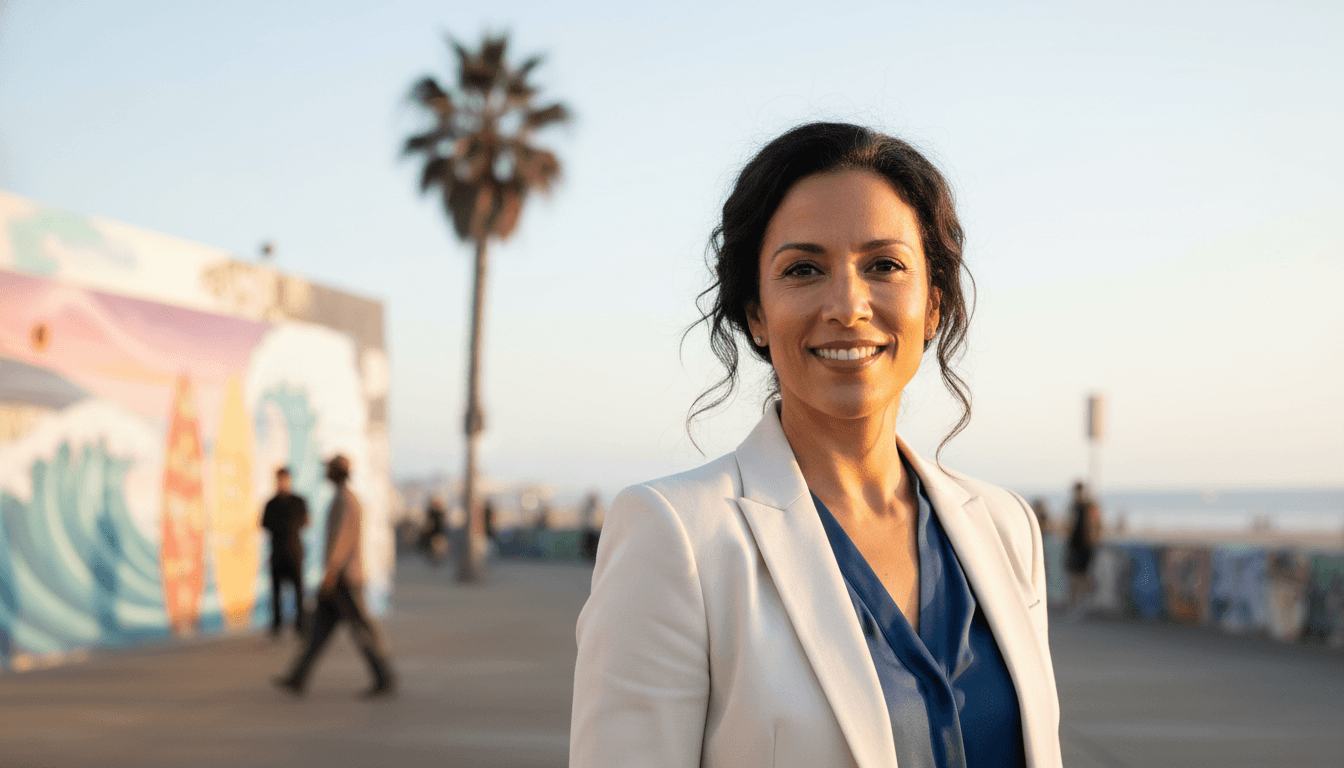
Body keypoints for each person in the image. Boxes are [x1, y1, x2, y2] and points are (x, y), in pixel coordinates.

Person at [571, 123, 1061, 768]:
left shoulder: (1005, 527)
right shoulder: (676, 537)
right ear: (755, 313)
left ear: (933, 303)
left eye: (884, 265)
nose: (847, 305)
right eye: (803, 270)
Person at [274, 455, 396, 699]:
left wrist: (329, 574)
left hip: (345, 579)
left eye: (329, 470)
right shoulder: (345, 499)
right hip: (341, 578)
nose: (325, 473)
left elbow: (341, 542)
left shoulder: (344, 501)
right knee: (319, 631)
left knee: (361, 629)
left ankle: (384, 676)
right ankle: (298, 676)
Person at [260, 467, 308, 638]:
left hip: (294, 552)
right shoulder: (271, 504)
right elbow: (264, 524)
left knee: (299, 590)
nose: (282, 482)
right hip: (277, 553)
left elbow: (304, 521)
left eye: (285, 479)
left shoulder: (298, 501)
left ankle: (301, 624)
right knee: (276, 592)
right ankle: (277, 625)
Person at [1065, 481, 1102, 609]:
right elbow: (1070, 524)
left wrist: (1095, 540)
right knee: (1074, 576)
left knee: (1083, 575)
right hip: (1075, 545)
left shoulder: (1090, 506)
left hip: (1086, 545)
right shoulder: (1075, 505)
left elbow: (1097, 524)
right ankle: (1076, 604)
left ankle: (1084, 603)